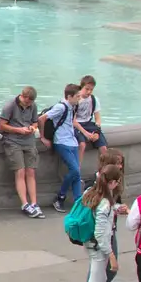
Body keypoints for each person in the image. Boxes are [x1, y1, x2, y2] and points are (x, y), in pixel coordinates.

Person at [78, 166, 124, 282]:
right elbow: (100, 233)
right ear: (112, 182)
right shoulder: (105, 202)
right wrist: (111, 255)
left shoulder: (91, 193)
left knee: (98, 280)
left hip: (89, 244)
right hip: (99, 247)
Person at [0, 86, 44, 217]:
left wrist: (32, 127)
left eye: (31, 103)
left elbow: (35, 122)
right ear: (22, 97)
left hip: (29, 141)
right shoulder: (10, 106)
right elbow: (1, 126)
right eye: (27, 102)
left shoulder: (33, 106)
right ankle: (25, 203)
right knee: (20, 171)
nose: (29, 104)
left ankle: (34, 203)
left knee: (31, 171)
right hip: (13, 141)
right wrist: (19, 130)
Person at [41, 84, 85, 212]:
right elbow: (42, 119)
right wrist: (43, 137)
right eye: (77, 97)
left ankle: (78, 203)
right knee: (75, 170)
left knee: (77, 174)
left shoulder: (73, 106)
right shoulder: (61, 107)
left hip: (72, 142)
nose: (79, 99)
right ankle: (60, 197)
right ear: (69, 96)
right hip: (61, 142)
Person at [74, 75, 105, 150]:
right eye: (87, 89)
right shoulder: (75, 99)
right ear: (81, 87)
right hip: (76, 125)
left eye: (91, 89)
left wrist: (97, 132)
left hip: (88, 124)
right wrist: (85, 133)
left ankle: (104, 161)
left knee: (103, 147)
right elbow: (73, 121)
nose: (89, 92)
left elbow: (98, 118)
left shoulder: (94, 99)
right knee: (82, 145)